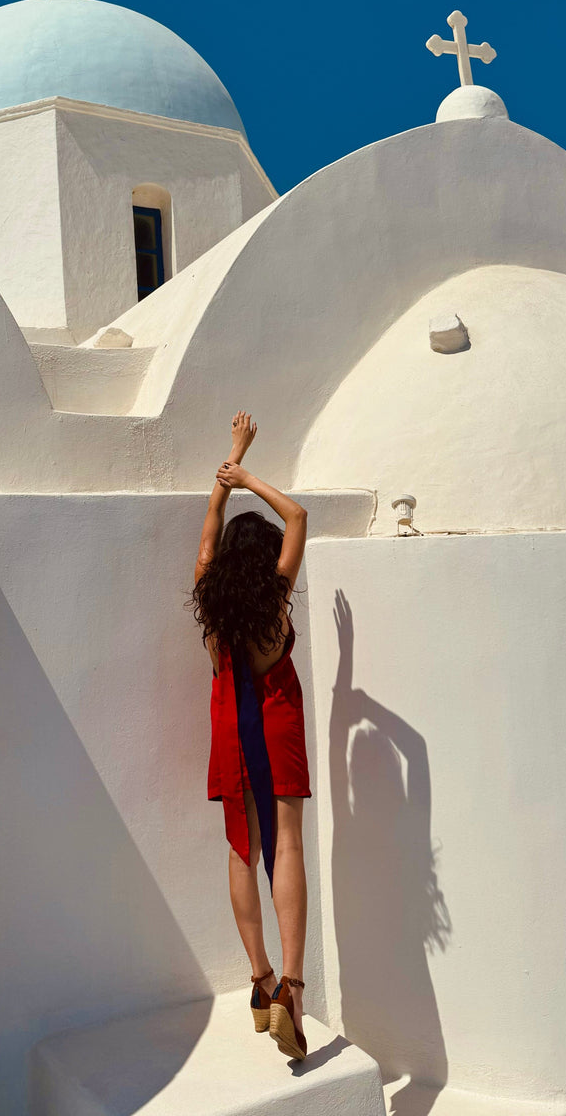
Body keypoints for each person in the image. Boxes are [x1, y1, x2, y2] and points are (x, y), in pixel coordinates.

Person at [187, 410, 311, 1061]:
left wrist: (224, 476)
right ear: (263, 561)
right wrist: (250, 473)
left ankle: (260, 979)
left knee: (243, 848)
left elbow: (208, 535)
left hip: (230, 731)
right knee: (286, 845)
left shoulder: (212, 604)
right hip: (278, 719)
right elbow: (298, 517)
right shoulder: (276, 600)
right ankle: (293, 985)